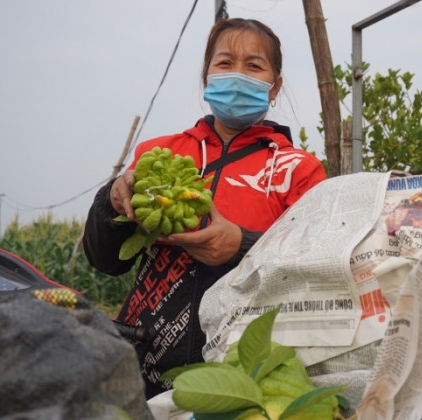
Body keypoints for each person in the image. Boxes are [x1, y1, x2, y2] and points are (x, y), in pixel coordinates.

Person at [82, 18, 327, 399]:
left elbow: (314, 271)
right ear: (206, 75)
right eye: (225, 63)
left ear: (274, 86)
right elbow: (106, 260)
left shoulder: (298, 169)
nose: (237, 75)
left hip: (241, 375)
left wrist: (241, 247)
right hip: (144, 364)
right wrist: (110, 199)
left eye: (254, 66)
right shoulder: (159, 154)